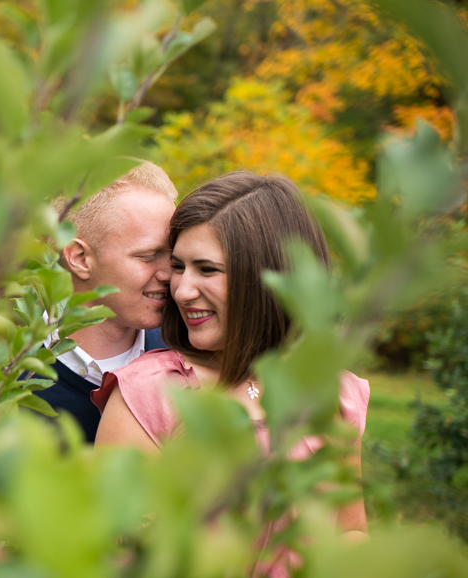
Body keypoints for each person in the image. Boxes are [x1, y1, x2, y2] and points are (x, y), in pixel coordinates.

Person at [92, 171, 368, 544]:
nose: (182, 290)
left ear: (268, 276)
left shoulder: (332, 392)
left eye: (207, 269)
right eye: (178, 267)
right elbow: (119, 553)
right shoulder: (150, 394)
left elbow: (350, 528)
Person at [35, 162, 178, 442]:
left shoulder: (188, 356)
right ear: (80, 258)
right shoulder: (6, 387)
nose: (170, 274)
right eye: (148, 256)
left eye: (173, 255)